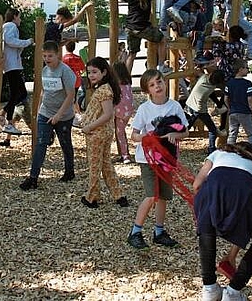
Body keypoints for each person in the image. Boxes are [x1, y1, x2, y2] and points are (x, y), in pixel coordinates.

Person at [194, 142, 252, 301]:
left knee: (206, 230)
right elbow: (247, 214)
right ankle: (233, 291)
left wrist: (202, 213)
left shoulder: (217, 153)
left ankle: (209, 289)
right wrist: (232, 253)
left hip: (210, 194)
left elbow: (197, 185)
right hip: (242, 201)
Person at [127, 69, 189, 249]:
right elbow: (134, 135)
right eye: (152, 85)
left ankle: (159, 232)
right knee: (151, 195)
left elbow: (184, 131)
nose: (158, 86)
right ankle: (135, 232)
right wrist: (149, 138)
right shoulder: (145, 109)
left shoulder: (175, 106)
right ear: (148, 91)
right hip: (148, 159)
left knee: (163, 197)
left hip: (167, 158)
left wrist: (174, 135)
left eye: (159, 82)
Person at [19, 41, 76, 190]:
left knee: (65, 143)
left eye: (50, 56)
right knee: (41, 143)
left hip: (63, 115)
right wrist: (39, 109)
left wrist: (58, 115)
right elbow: (44, 91)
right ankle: (33, 177)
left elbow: (71, 95)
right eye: (44, 56)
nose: (47, 59)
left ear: (57, 54)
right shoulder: (45, 71)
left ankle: (70, 171)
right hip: (46, 112)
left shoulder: (65, 71)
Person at [80, 57, 128, 209]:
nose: (91, 75)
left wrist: (89, 127)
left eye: (94, 72)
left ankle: (92, 196)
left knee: (95, 165)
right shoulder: (104, 88)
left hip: (97, 133)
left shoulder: (104, 90)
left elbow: (107, 114)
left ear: (104, 72)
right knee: (106, 164)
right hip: (103, 132)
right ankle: (119, 195)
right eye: (89, 72)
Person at [123, 0, 170, 74]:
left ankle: (125, 79)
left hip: (130, 27)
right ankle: (161, 66)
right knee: (162, 40)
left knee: (132, 54)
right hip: (142, 27)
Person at [1, 8, 34, 136]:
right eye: (19, 17)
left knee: (16, 93)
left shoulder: (7, 26)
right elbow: (10, 41)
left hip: (12, 64)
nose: (20, 20)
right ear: (14, 16)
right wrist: (27, 42)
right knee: (21, 93)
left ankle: (8, 120)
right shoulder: (10, 26)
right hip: (12, 65)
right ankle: (4, 114)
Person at [184, 67, 227, 155]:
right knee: (212, 130)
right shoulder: (211, 87)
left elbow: (200, 72)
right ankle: (211, 149)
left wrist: (203, 67)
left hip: (189, 103)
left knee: (188, 125)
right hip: (199, 110)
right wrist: (219, 104)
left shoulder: (203, 77)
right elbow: (213, 95)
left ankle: (175, 134)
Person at [225, 59, 252, 146]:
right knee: (251, 134)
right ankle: (251, 152)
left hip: (233, 112)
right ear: (240, 69)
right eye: (246, 68)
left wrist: (229, 108)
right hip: (245, 112)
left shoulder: (229, 83)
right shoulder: (247, 84)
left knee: (232, 134)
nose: (248, 70)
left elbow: (226, 98)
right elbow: (250, 99)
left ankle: (229, 151)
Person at [112, 62, 134, 164]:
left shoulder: (116, 85)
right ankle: (124, 153)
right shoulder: (127, 83)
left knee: (119, 133)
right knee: (121, 132)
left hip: (119, 111)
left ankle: (125, 155)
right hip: (128, 111)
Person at [62, 40, 86, 127]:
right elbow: (83, 69)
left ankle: (75, 116)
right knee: (74, 98)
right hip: (76, 80)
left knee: (69, 99)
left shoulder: (64, 58)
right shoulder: (78, 58)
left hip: (67, 81)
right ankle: (78, 114)